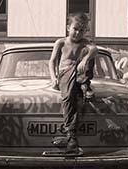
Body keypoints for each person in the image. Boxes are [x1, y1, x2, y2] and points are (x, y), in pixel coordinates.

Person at [49, 13, 98, 153]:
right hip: (65, 74)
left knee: (89, 52)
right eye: (75, 28)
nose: (78, 33)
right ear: (67, 28)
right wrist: (53, 78)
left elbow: (95, 49)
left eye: (82, 30)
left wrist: (85, 59)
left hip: (81, 74)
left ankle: (84, 83)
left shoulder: (84, 43)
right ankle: (71, 134)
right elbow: (52, 61)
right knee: (69, 97)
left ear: (85, 31)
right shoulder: (61, 42)